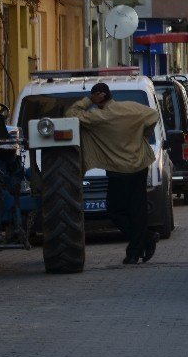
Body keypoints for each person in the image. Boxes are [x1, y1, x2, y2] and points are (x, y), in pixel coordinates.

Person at [67, 82, 161, 265]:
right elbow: (154, 115)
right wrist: (143, 134)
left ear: (100, 96)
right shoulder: (131, 108)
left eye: (94, 96)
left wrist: (87, 101)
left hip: (119, 171)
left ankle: (143, 242)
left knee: (115, 211)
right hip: (139, 165)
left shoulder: (98, 117)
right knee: (137, 211)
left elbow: (71, 115)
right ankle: (138, 248)